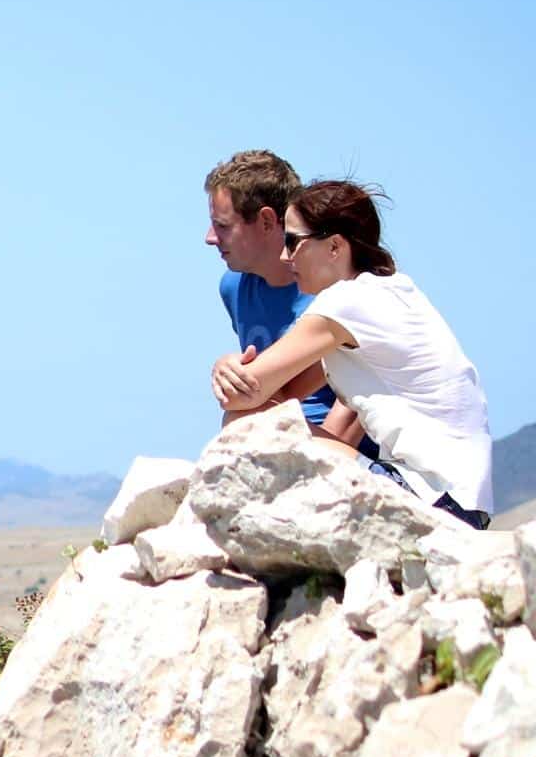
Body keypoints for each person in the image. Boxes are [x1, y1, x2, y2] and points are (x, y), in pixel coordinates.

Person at [210, 180, 494, 527]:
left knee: (244, 424)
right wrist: (231, 371)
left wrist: (226, 369)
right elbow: (280, 394)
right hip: (461, 504)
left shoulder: (347, 303)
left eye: (293, 242)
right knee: (251, 418)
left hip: (432, 501)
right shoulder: (387, 291)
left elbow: (245, 396)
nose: (285, 256)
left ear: (334, 247)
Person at [205, 150, 338, 429]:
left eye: (223, 226)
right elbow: (260, 391)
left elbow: (358, 403)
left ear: (266, 221)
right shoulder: (234, 287)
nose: (210, 238)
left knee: (239, 421)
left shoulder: (335, 289)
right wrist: (226, 369)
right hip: (280, 431)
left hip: (343, 448)